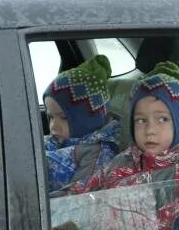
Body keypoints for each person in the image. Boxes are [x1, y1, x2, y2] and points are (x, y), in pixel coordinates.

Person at [72, 60, 179, 230]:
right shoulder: (125, 159)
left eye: (163, 119)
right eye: (141, 120)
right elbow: (84, 191)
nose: (150, 130)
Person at [42, 55, 121, 192]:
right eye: (51, 117)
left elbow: (79, 198)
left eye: (64, 118)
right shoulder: (60, 139)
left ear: (87, 120)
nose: (53, 126)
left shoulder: (98, 155)